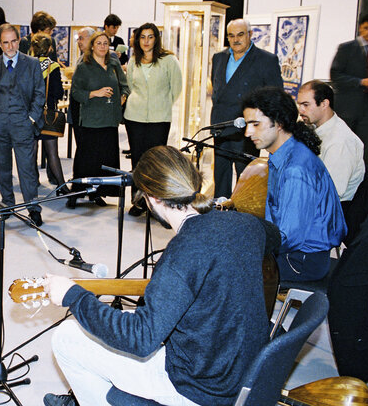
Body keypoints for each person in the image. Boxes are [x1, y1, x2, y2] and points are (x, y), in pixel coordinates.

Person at [42, 146, 268, 406]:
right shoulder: (249, 225)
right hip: (247, 372)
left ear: (151, 198)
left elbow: (141, 339)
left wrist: (74, 297)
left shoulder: (180, 255)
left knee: (66, 337)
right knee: (124, 322)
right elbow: (273, 236)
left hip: (199, 388)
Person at [243, 86, 346, 281]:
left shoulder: (296, 170)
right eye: (247, 124)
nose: (248, 132)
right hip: (294, 252)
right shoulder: (283, 155)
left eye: (255, 124)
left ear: (279, 123)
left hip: (302, 261)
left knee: (225, 263)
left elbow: (288, 238)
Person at [0, 24, 46, 226]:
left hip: (22, 121)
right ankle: (8, 204)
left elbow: (39, 93)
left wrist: (31, 118)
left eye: (13, 41)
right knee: (1, 167)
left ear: (19, 40)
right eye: (5, 42)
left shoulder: (32, 64)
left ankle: (33, 207)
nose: (10, 46)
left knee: (26, 168)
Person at [211, 19, 282, 199]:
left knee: (246, 175)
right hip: (221, 124)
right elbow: (217, 89)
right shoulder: (219, 58)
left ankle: (241, 215)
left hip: (248, 128)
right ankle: (220, 213)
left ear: (250, 34)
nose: (236, 40)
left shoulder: (266, 60)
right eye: (231, 36)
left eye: (240, 35)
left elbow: (275, 95)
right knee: (220, 173)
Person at [124, 23, 182, 216]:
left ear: (156, 39)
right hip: (135, 117)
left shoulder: (169, 60)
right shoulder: (134, 60)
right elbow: (131, 86)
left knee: (156, 162)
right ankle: (138, 201)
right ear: (137, 40)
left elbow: (176, 88)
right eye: (142, 37)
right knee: (138, 161)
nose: (146, 41)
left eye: (150, 37)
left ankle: (156, 204)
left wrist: (161, 103)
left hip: (159, 118)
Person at [68, 31, 128, 208]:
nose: (102, 46)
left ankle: (97, 193)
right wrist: (95, 93)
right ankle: (77, 192)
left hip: (110, 120)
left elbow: (124, 86)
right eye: (99, 43)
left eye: (105, 43)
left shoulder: (113, 63)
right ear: (92, 46)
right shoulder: (84, 66)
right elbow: (76, 93)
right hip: (90, 120)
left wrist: (122, 98)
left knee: (104, 160)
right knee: (86, 159)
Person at [297, 80, 365, 206]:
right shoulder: (317, 129)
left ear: (324, 104)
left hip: (330, 213)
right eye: (299, 105)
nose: (301, 110)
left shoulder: (340, 141)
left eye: (306, 105)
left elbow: (331, 191)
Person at [330, 12, 368, 166]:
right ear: (360, 28)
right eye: (366, 28)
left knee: (361, 150)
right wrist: (361, 82)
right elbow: (335, 75)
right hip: (347, 108)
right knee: (342, 147)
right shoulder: (346, 48)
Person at [30, 34, 69, 195]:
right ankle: (61, 185)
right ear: (50, 48)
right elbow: (58, 92)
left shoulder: (27, 64)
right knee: (52, 152)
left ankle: (33, 181)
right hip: (48, 114)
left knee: (31, 151)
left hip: (30, 114)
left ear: (32, 48)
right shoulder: (52, 66)